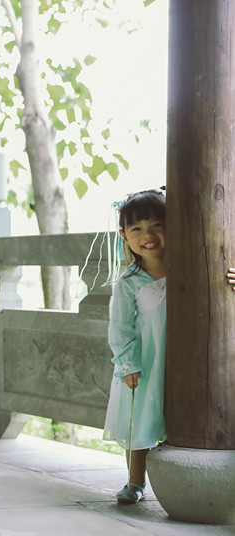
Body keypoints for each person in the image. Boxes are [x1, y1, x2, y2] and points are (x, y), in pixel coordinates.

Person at [102, 189, 166, 505]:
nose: (147, 235)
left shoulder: (192, 267)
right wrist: (128, 364)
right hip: (146, 361)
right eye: (137, 228)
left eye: (157, 225)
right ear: (124, 236)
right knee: (138, 418)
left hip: (182, 359)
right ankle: (135, 480)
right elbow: (120, 327)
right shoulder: (129, 281)